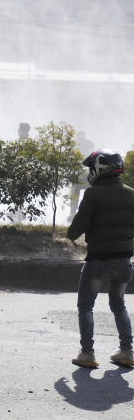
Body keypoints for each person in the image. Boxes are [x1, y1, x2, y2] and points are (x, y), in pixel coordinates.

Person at [66, 149, 134, 370]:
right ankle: (127, 351)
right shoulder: (131, 194)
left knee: (86, 306)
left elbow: (79, 223)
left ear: (99, 168)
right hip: (124, 262)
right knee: (119, 304)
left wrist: (71, 236)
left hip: (98, 262)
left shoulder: (93, 194)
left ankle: (87, 353)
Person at [67, 131, 95, 221]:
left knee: (91, 193)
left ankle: (90, 213)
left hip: (87, 175)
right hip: (78, 175)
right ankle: (72, 214)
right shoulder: (74, 147)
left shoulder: (88, 146)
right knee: (74, 192)